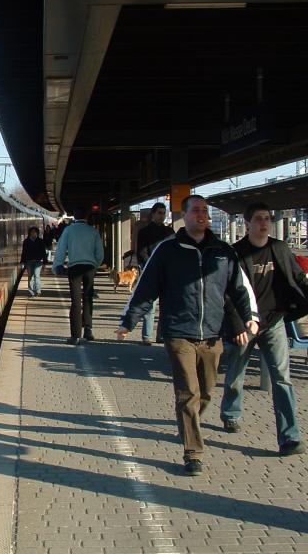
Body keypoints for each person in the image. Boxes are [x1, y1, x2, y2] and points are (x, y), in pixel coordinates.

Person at [116, 194, 259, 476]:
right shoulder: (167, 249)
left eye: (205, 210)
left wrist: (250, 318)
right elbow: (146, 287)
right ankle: (193, 452)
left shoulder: (223, 251)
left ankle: (189, 423)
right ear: (184, 216)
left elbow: (240, 288)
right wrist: (128, 321)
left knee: (206, 391)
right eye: (196, 211)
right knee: (188, 392)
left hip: (212, 334)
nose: (202, 215)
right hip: (178, 332)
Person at [220, 202, 308, 456]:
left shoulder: (279, 248)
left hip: (274, 321)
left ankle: (290, 437)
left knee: (282, 378)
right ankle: (231, 412)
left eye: (267, 218)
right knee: (236, 370)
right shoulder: (235, 253)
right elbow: (227, 292)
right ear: (247, 223)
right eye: (258, 219)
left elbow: (297, 277)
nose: (264, 223)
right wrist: (237, 323)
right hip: (246, 323)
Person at [52, 205, 104, 344]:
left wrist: (57, 265)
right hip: (89, 267)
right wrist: (95, 265)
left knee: (76, 302)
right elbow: (100, 253)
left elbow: (61, 249)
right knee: (88, 298)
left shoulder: (69, 230)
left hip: (75, 267)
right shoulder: (93, 231)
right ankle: (88, 330)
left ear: (74, 216)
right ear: (86, 216)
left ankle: (75, 336)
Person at [135, 202, 175, 345]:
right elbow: (141, 251)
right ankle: (147, 336)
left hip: (166, 272)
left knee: (165, 305)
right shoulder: (145, 232)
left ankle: (161, 335)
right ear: (152, 214)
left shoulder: (170, 232)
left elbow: (174, 252)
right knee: (150, 305)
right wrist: (150, 267)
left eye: (163, 213)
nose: (162, 216)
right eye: (159, 212)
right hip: (150, 271)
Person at [20, 226, 47, 297]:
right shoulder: (26, 241)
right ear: (29, 233)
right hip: (29, 261)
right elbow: (24, 252)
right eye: (32, 232)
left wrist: (45, 262)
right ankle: (31, 292)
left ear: (37, 233)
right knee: (30, 276)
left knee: (36, 275)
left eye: (35, 232)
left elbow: (43, 252)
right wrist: (22, 261)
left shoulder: (40, 241)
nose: (33, 234)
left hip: (38, 261)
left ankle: (38, 291)